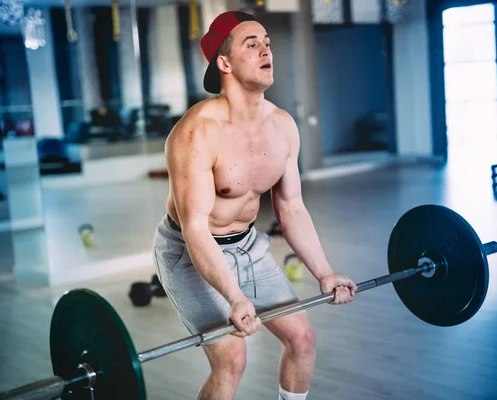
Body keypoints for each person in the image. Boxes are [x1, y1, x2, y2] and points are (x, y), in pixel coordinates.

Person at [152, 10, 357, 400]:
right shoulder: (197, 132)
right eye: (252, 44)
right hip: (190, 251)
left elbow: (292, 208)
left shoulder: (282, 127)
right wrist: (235, 297)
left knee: (302, 339)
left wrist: (325, 272)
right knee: (232, 358)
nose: (266, 50)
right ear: (224, 63)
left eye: (268, 43)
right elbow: (195, 227)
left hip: (248, 245)